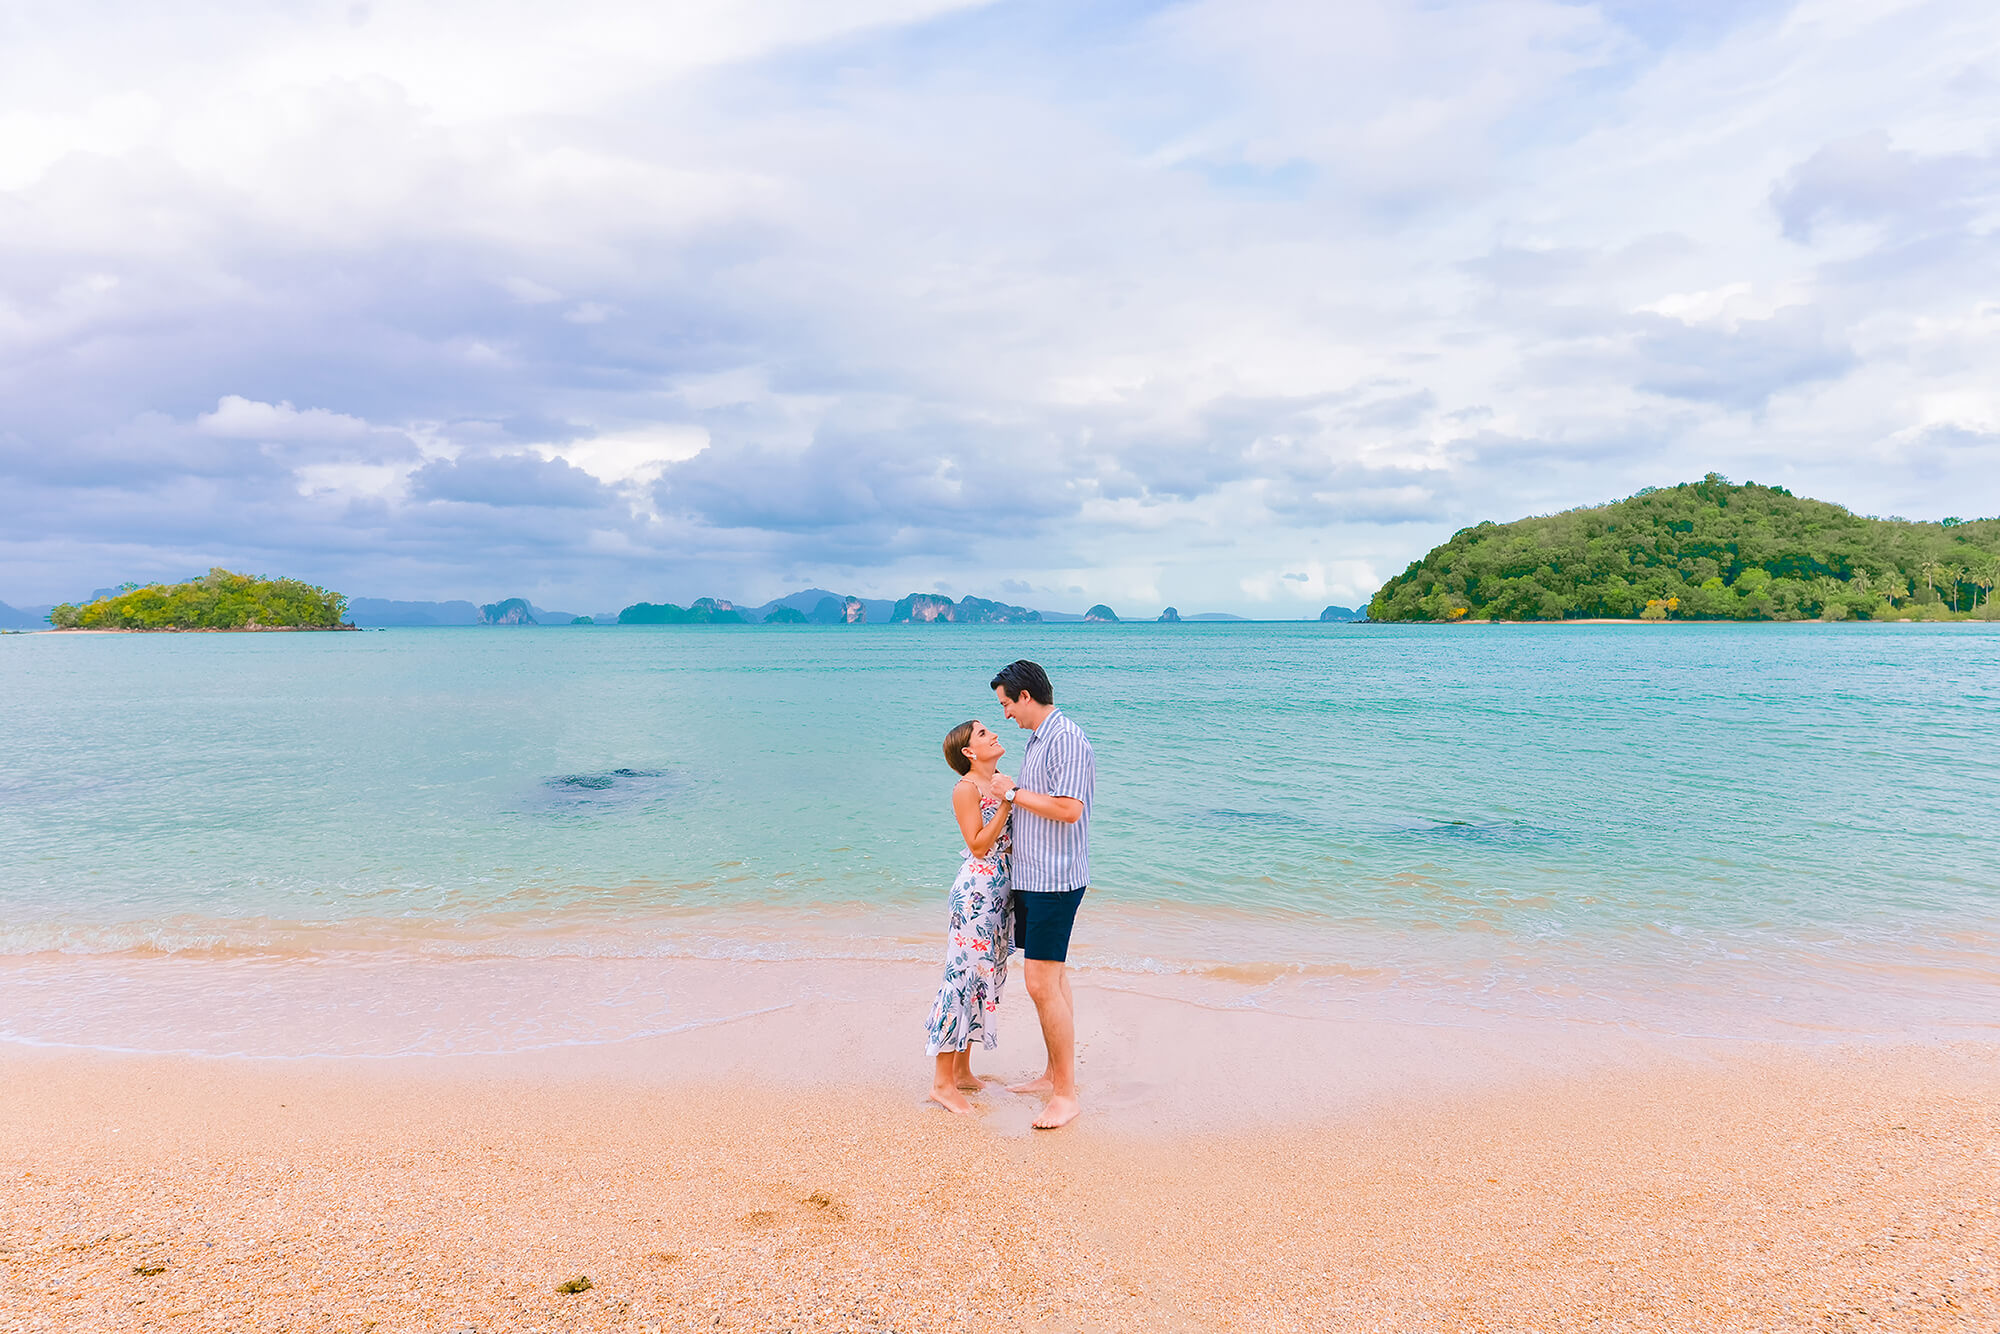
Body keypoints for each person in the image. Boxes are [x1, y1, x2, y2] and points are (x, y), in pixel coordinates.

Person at [989, 659, 1094, 1130]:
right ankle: (1055, 1075)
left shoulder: (1066, 738)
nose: (1006, 714)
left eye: (1007, 703)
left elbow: (1070, 810)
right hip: (1032, 876)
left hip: (1056, 879)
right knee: (1053, 979)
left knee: (1039, 984)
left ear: (1026, 697)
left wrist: (1012, 794)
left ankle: (1066, 1096)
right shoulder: (1038, 740)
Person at [922, 719, 1017, 1115]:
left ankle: (962, 1071)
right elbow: (978, 845)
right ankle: (942, 1083)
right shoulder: (966, 789)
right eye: (982, 733)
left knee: (986, 976)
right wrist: (1008, 801)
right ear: (968, 753)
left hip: (999, 891)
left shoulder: (999, 780)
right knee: (962, 977)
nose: (992, 733)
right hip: (976, 891)